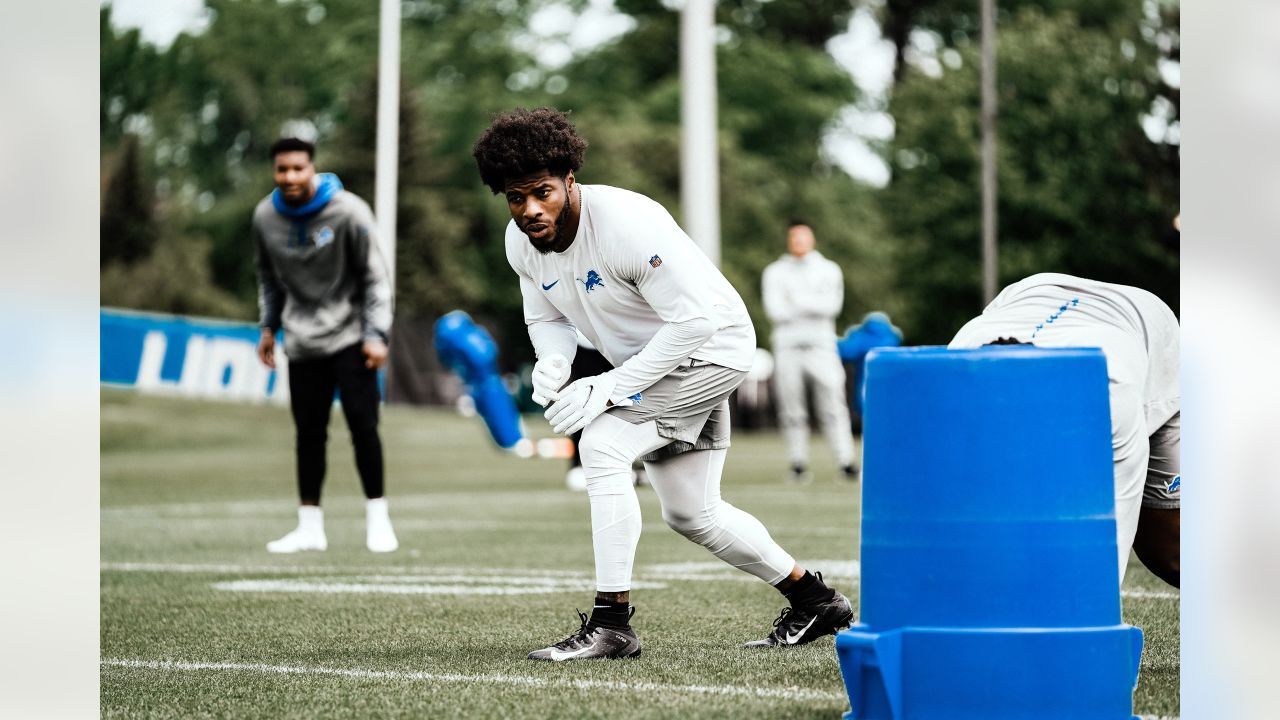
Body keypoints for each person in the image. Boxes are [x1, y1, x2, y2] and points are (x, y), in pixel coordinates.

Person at [473, 107, 852, 661]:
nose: (530, 209)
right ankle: (814, 600)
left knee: (602, 443)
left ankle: (612, 626)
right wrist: (551, 363)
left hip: (712, 349)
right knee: (692, 513)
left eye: (542, 192)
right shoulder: (520, 241)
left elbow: (696, 322)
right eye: (515, 197)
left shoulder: (627, 223)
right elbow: (548, 318)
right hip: (657, 358)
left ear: (569, 179)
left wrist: (610, 388)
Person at [949, 273, 1179, 587]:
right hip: (1028, 292)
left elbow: (1102, 567)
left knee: (1165, 549)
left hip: (1146, 323)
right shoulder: (951, 379)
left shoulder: (1109, 399)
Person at [254, 137, 398, 554]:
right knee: (308, 434)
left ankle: (378, 520)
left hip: (352, 337)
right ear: (275, 172)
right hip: (301, 340)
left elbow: (375, 276)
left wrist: (377, 335)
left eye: (298, 168)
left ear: (312, 168)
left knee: (363, 426)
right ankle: (310, 527)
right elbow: (268, 278)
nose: (290, 177)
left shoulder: (349, 211)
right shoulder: (265, 216)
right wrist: (268, 328)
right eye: (282, 170)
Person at [762, 221, 858, 482]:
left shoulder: (828, 269)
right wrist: (811, 304)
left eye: (804, 237)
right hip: (787, 347)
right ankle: (798, 463)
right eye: (795, 238)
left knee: (833, 405)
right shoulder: (775, 271)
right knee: (791, 408)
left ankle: (846, 461)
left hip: (822, 346)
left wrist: (797, 300)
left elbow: (831, 307)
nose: (799, 242)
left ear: (812, 239)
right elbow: (776, 311)